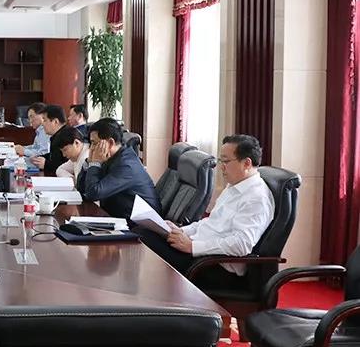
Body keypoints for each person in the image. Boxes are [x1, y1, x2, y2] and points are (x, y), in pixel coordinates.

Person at [139, 135, 274, 290]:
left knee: (144, 239)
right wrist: (181, 231)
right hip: (199, 253)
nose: (221, 167)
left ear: (246, 163)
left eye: (226, 161)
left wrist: (193, 247)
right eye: (221, 161)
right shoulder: (234, 186)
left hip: (214, 267)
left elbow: (241, 245)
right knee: (144, 231)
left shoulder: (256, 198)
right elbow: (210, 223)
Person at [76, 117, 160, 218]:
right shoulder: (110, 158)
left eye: (94, 143)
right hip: (118, 217)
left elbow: (93, 193)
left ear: (111, 143)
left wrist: (95, 163)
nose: (91, 148)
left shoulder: (126, 165)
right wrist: (88, 163)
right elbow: (82, 190)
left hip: (140, 224)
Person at [30, 105, 67, 175]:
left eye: (45, 120)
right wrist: (39, 158)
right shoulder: (57, 136)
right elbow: (53, 156)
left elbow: (66, 164)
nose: (42, 124)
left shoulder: (66, 137)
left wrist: (46, 164)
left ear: (55, 121)